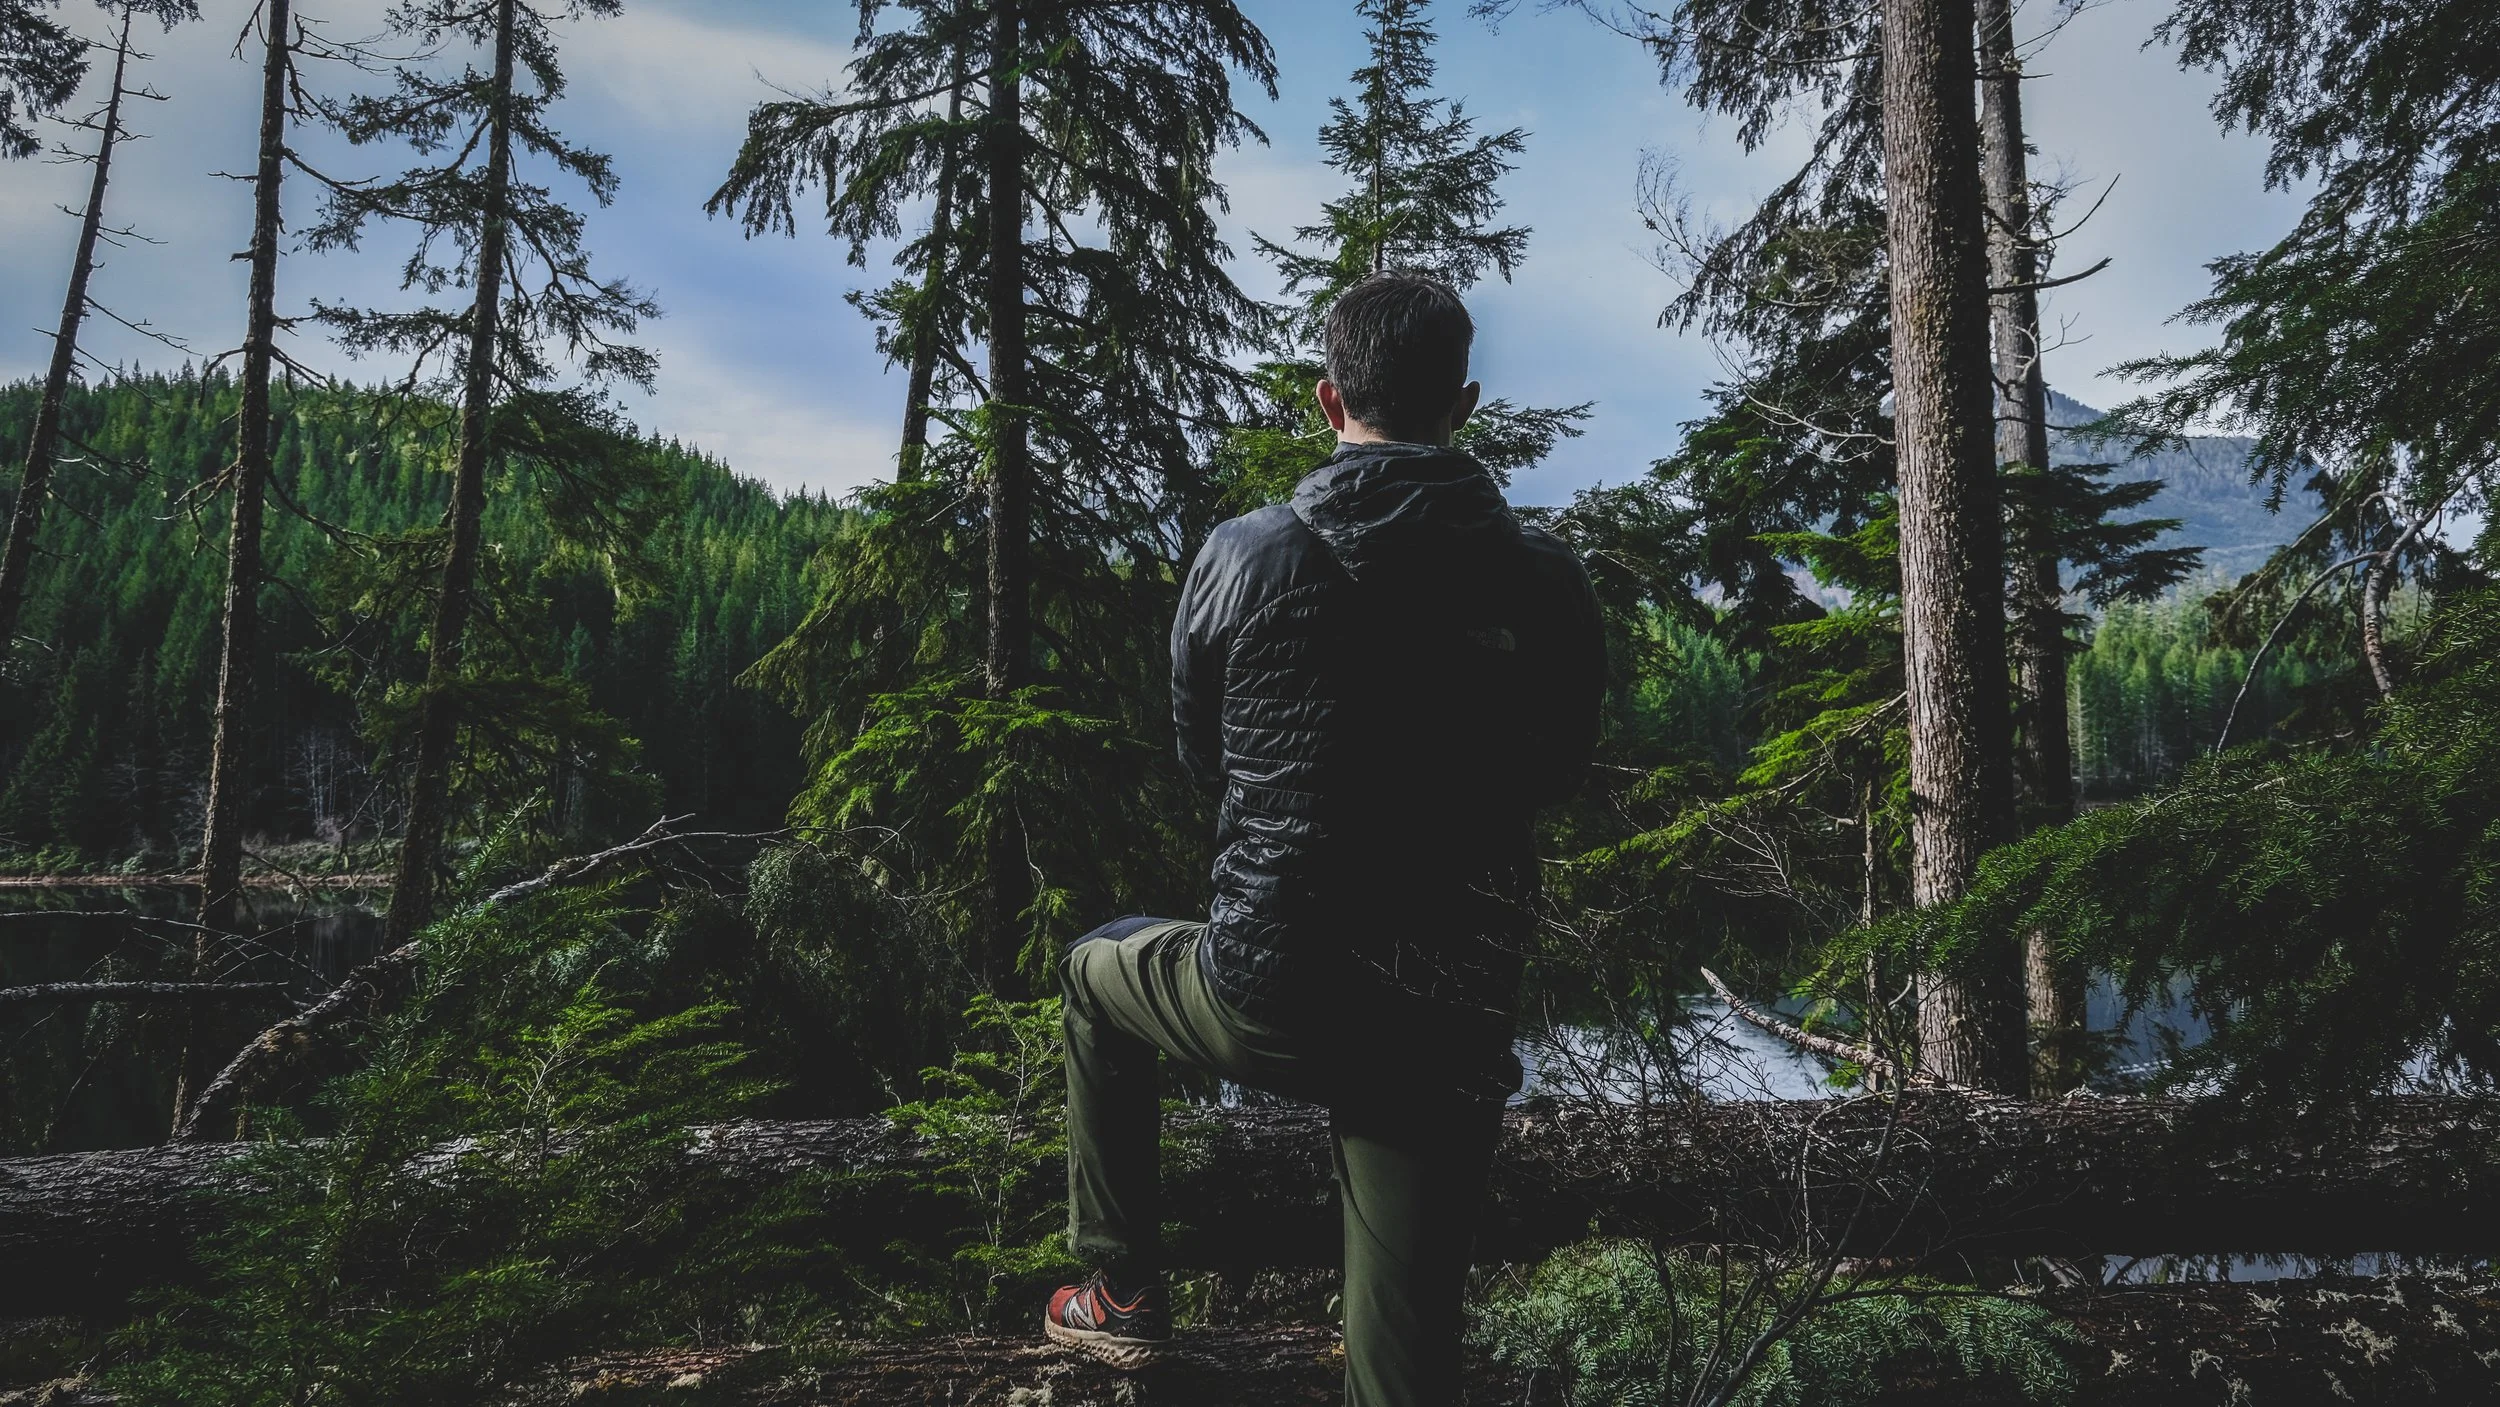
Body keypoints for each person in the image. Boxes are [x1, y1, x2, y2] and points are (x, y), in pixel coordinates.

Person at [1042, 271, 1606, 1404]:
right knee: (1406, 1382)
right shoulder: (1546, 580)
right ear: (1464, 402)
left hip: (1276, 993)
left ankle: (1120, 1291)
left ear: (1326, 397)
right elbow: (1555, 770)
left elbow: (1210, 761)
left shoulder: (1248, 553)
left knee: (1094, 968)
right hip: (1446, 1012)